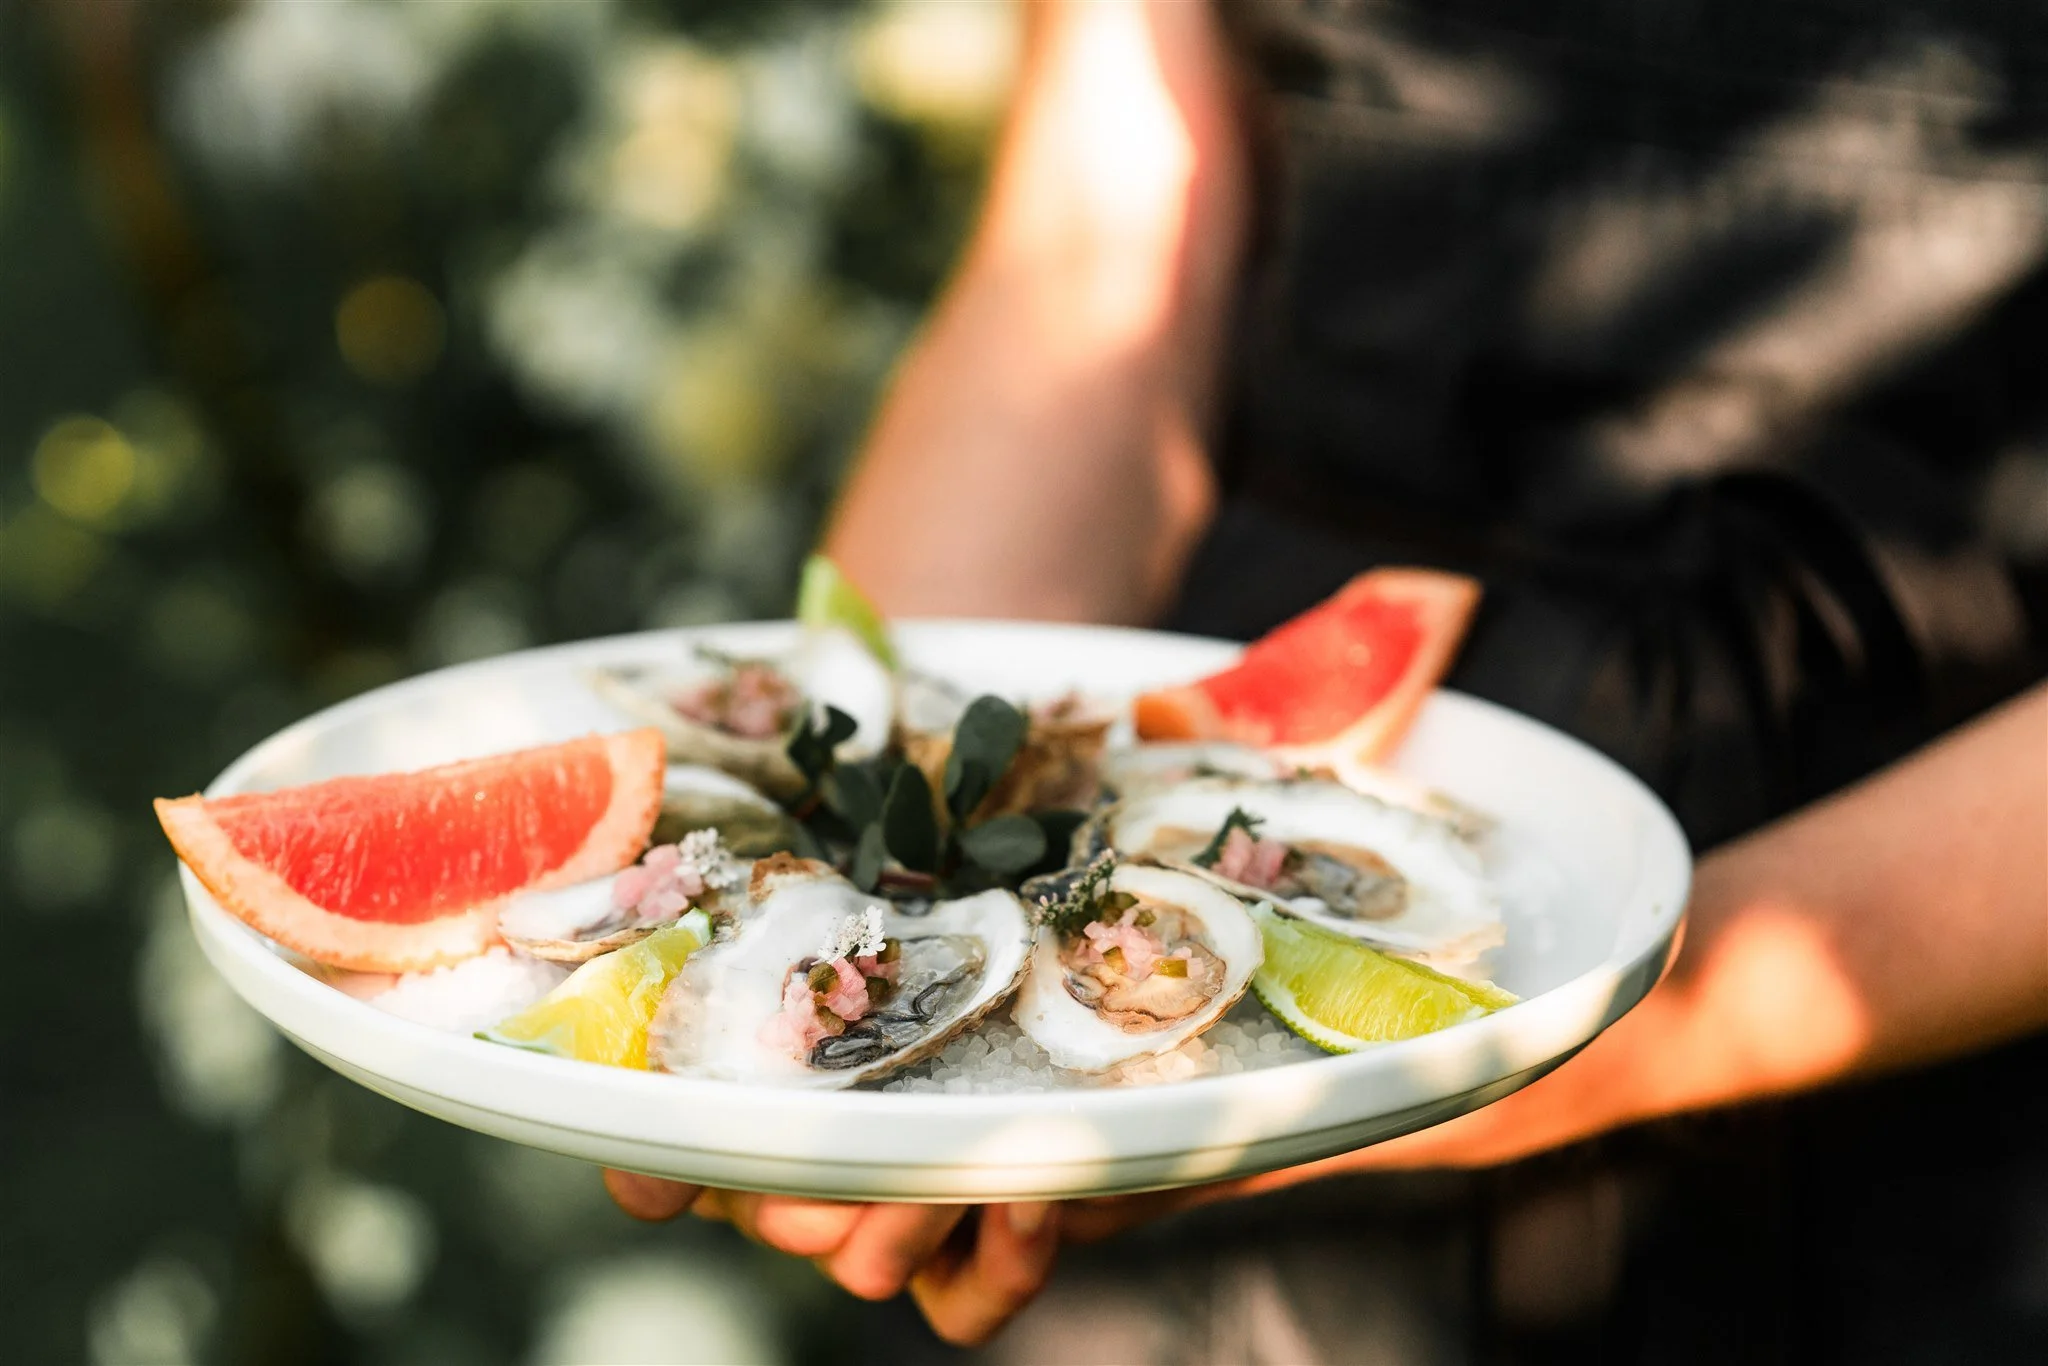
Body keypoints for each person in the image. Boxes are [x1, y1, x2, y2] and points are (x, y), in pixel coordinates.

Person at [609, 2, 2048, 1358]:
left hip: (1930, 955)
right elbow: (1102, 258)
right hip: (1207, 888)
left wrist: (1619, 1013)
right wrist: (861, 880)